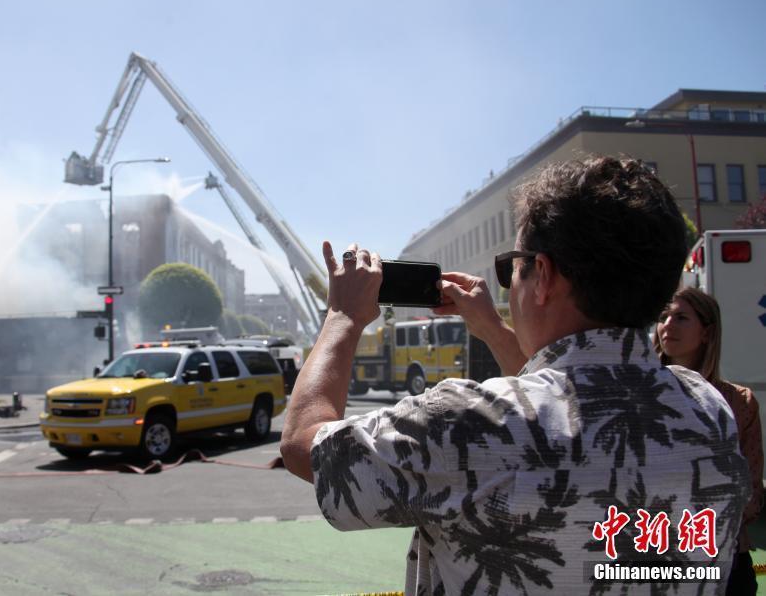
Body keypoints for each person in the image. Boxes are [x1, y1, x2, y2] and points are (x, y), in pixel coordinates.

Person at [280, 156, 750, 595]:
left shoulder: (466, 423)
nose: (509, 284)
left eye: (513, 267)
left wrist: (343, 316)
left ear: (542, 275)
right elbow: (565, 399)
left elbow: (306, 445)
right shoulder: (708, 410)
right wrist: (491, 327)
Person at [655, 287, 763, 595]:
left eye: (681, 317)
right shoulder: (642, 395)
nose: (668, 325)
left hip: (725, 556)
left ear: (706, 332)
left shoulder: (738, 402)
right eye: (664, 316)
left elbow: (752, 492)